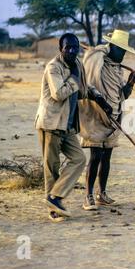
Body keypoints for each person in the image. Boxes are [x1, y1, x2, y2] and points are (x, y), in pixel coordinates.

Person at [35, 33, 112, 222]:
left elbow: (83, 90)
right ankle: (54, 207)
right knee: (51, 168)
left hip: (68, 126)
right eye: (67, 47)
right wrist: (74, 80)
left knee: (78, 159)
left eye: (74, 47)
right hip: (50, 124)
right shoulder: (53, 67)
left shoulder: (77, 65)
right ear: (60, 49)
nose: (71, 51)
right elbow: (59, 93)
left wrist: (99, 98)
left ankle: (55, 197)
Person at [79, 29, 135, 210]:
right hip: (96, 116)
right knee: (95, 156)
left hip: (114, 119)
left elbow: (123, 96)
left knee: (107, 157)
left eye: (124, 51)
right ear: (111, 47)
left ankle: (101, 193)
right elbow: (87, 81)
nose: (123, 54)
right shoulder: (99, 62)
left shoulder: (117, 69)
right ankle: (88, 196)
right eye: (120, 50)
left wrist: (130, 83)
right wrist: (99, 51)